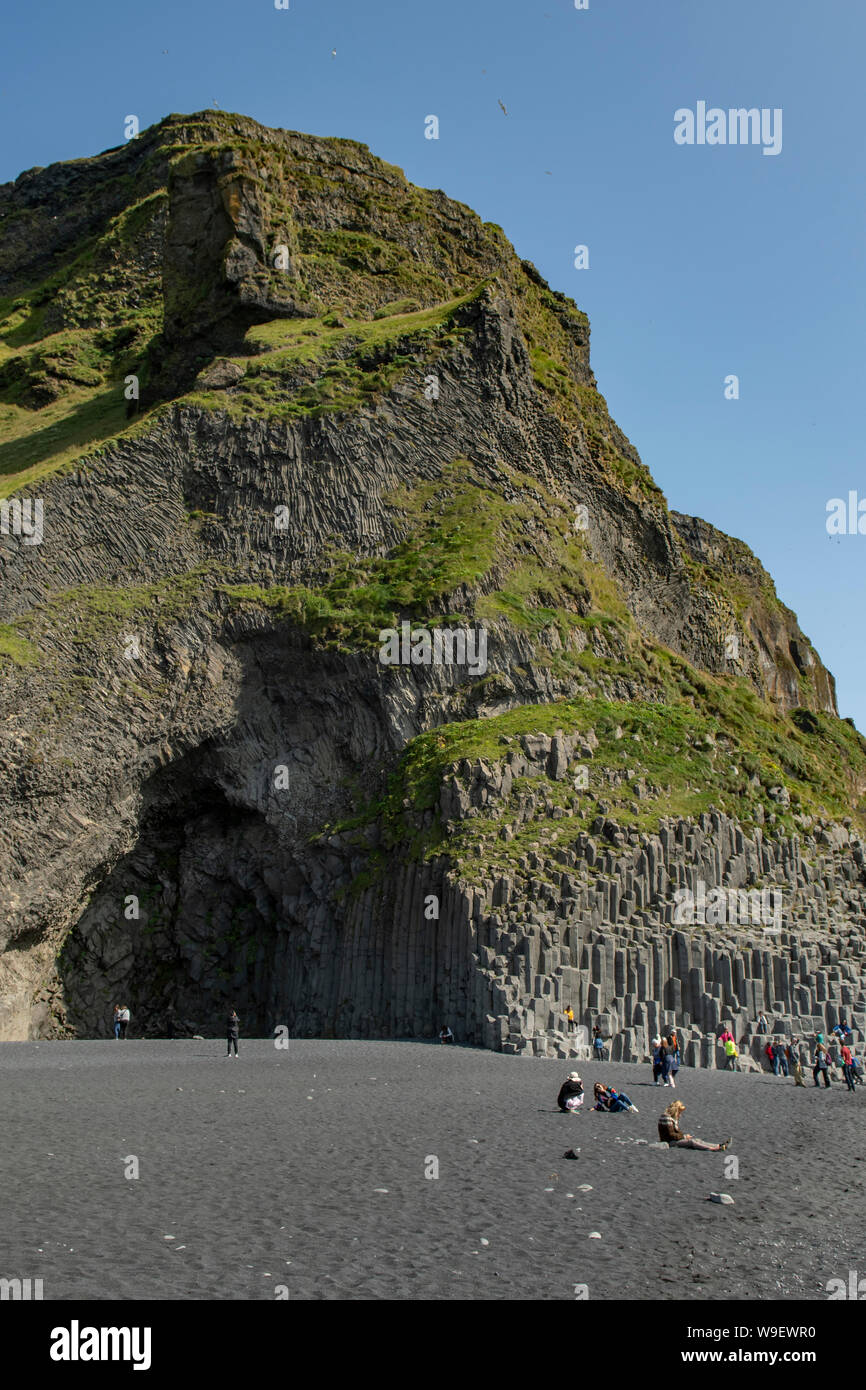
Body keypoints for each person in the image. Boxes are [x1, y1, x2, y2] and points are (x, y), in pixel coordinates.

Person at [658, 1101, 731, 1151]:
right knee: (692, 1142)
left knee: (697, 1140)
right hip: (669, 1142)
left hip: (673, 1140)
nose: (680, 1114)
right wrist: (684, 1137)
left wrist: (684, 1136)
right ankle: (712, 1148)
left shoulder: (672, 1118)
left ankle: (718, 1145)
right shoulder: (666, 1118)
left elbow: (676, 1133)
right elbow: (671, 1134)